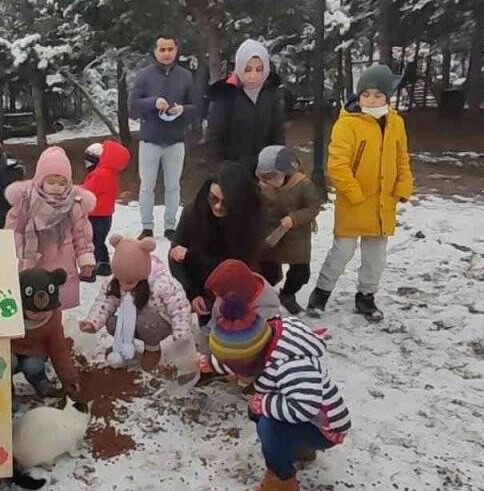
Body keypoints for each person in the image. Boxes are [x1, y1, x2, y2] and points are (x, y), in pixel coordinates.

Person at [208, 290, 351, 491]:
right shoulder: (265, 336)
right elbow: (239, 357)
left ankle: (282, 485)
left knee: (268, 424)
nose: (230, 367)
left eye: (231, 363)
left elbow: (305, 406)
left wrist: (263, 404)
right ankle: (297, 447)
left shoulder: (291, 366)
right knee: (264, 413)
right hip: (307, 415)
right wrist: (210, 364)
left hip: (324, 426)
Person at [306, 64, 412, 322]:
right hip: (355, 201)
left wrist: (403, 185)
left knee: (375, 256)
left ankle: (366, 297)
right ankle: (321, 293)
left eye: (377, 95)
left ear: (387, 97)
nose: (371, 99)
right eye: (366, 94)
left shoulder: (396, 123)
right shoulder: (348, 124)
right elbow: (338, 165)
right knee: (342, 251)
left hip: (383, 203)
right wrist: (353, 193)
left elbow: (401, 158)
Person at [78, 234, 193, 371]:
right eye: (120, 280)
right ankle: (124, 345)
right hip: (131, 320)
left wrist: (181, 332)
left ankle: (152, 349)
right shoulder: (114, 281)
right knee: (111, 322)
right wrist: (93, 322)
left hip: (158, 323)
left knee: (146, 324)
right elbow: (105, 302)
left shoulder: (161, 284)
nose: (124, 286)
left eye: (130, 282)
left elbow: (180, 308)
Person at [168, 163, 263, 323]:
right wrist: (192, 294)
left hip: (236, 293)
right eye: (213, 198)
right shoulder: (193, 213)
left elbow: (240, 268)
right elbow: (175, 257)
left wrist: (191, 255)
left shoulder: (249, 223)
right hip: (198, 286)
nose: (218, 206)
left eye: (225, 203)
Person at [5, 147, 96, 310]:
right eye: (51, 182)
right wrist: (17, 250)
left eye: (62, 183)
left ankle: (55, 330)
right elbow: (14, 229)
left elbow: (81, 234)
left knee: (56, 300)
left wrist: (85, 259)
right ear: (40, 180)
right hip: (35, 261)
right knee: (34, 300)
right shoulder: (27, 201)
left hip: (63, 261)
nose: (56, 187)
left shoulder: (74, 204)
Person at [130, 34, 202, 240]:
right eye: (162, 49)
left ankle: (171, 226)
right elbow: (133, 104)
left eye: (170, 49)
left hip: (176, 140)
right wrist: (153, 102)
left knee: (173, 185)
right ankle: (147, 226)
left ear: (176, 50)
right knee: (147, 186)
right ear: (155, 51)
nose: (166, 53)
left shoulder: (186, 76)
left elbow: (197, 107)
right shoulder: (144, 75)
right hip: (150, 139)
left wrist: (182, 110)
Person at [254, 146, 323, 314]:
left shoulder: (303, 184)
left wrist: (294, 218)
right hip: (271, 234)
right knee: (267, 272)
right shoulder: (261, 185)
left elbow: (313, 206)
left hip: (296, 237)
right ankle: (261, 298)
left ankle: (287, 294)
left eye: (272, 177)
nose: (268, 181)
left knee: (301, 273)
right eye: (264, 177)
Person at [205, 39, 286, 170]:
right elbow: (214, 141)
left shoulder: (271, 94)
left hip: (264, 172)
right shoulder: (225, 94)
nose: (253, 76)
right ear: (239, 67)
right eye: (247, 69)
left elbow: (277, 135)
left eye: (259, 69)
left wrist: (277, 167)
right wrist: (219, 175)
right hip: (232, 173)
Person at [11, 267, 80, 399]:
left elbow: (59, 350)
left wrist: (70, 379)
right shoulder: (9, 314)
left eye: (44, 313)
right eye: (34, 312)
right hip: (10, 351)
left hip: (34, 354)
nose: (39, 316)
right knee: (7, 362)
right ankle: (6, 393)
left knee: (33, 365)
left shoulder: (53, 319)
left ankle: (40, 381)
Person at [81, 139, 131, 280]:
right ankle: (102, 263)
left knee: (92, 241)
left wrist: (74, 191)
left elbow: (88, 190)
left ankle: (94, 266)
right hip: (105, 215)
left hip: (95, 215)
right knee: (98, 240)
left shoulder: (100, 174)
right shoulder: (109, 173)